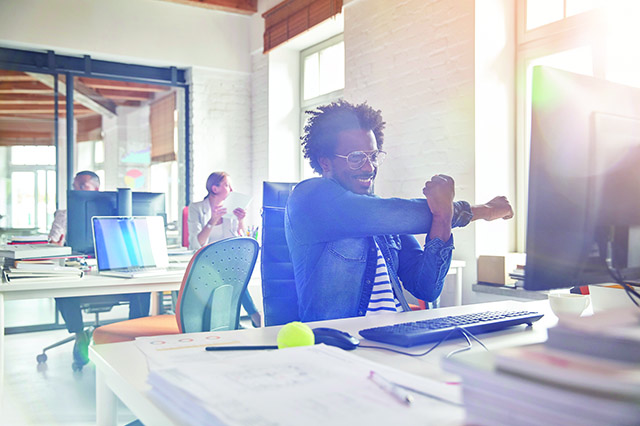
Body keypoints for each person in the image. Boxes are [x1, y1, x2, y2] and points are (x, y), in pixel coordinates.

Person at [285, 100, 514, 322]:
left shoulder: (385, 221)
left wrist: (444, 218)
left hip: (393, 338)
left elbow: (426, 288)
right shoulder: (310, 198)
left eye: (373, 156)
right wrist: (486, 210)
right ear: (325, 163)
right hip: (339, 344)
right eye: (356, 158)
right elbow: (399, 215)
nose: (369, 167)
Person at [49, 171, 151, 367]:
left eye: (82, 185)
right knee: (62, 288)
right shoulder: (65, 214)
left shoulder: (117, 209)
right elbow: (52, 242)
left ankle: (133, 336)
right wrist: (57, 244)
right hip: (80, 270)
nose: (77, 190)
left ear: (96, 188)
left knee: (141, 285)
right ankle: (79, 334)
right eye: (75, 185)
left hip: (117, 268)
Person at [188, 171, 262, 327]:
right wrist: (213, 220)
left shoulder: (231, 208)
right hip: (206, 259)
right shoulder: (196, 208)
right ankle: (252, 314)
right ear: (215, 188)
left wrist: (241, 220)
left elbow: (238, 237)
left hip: (228, 259)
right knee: (234, 274)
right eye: (227, 185)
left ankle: (234, 322)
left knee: (234, 271)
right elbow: (197, 243)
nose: (231, 189)